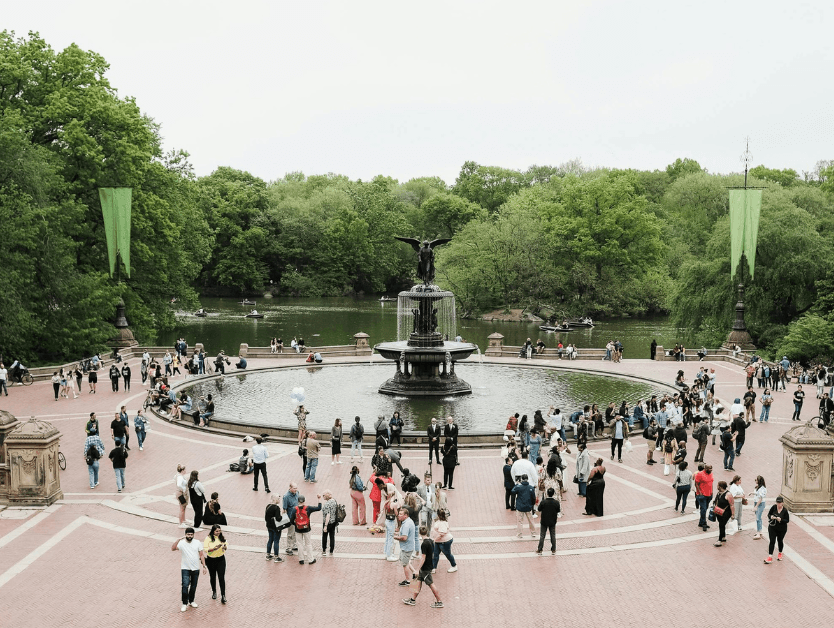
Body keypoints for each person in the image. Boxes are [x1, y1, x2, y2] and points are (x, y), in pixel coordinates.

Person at [402, 525, 443, 608]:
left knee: (431, 584)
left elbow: (423, 557)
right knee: (417, 582)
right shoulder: (431, 541)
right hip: (428, 565)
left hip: (425, 568)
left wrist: (417, 569)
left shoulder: (424, 544)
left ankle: (439, 601)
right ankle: (412, 600)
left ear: (419, 534)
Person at [172, 527, 206, 612]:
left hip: (195, 568)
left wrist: (204, 566)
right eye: (188, 534)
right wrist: (177, 540)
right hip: (185, 568)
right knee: (185, 585)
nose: (190, 536)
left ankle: (191, 601)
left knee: (193, 586)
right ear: (185, 534)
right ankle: (184, 603)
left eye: (191, 534)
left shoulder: (197, 542)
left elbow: (201, 555)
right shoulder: (182, 543)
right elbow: (173, 548)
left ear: (193, 535)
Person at [290, 494, 322, 565]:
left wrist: (296, 524)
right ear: (304, 501)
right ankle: (310, 559)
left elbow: (291, 520)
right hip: (307, 529)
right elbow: (319, 508)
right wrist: (319, 499)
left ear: (298, 501)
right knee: (308, 544)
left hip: (298, 529)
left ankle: (301, 559)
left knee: (299, 544)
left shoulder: (294, 509)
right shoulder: (308, 508)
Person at [203, 524, 228, 604]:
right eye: (217, 531)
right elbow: (206, 549)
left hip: (221, 559)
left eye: (219, 531)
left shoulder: (222, 538)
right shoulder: (208, 539)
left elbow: (226, 544)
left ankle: (223, 595)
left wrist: (224, 547)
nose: (218, 532)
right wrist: (214, 549)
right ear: (213, 531)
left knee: (221, 577)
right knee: (212, 576)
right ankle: (214, 591)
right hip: (211, 560)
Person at [394, 506, 418, 586]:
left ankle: (408, 580)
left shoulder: (406, 525)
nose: (398, 515)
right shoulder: (409, 521)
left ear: (406, 515)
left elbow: (404, 537)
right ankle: (414, 572)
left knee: (405, 564)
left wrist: (395, 537)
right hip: (408, 546)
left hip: (406, 547)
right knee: (406, 561)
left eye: (400, 514)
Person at [429, 508, 457, 572]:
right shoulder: (440, 521)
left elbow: (442, 534)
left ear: (438, 515)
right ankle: (434, 568)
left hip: (444, 542)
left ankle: (454, 566)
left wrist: (434, 540)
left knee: (448, 554)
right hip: (439, 541)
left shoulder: (442, 523)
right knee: (435, 554)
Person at [764, 496, 790, 564]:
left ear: (782, 503)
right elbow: (769, 514)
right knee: (772, 541)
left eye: (780, 503)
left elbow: (787, 520)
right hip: (772, 527)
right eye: (777, 503)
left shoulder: (784, 510)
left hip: (782, 528)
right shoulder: (774, 507)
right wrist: (771, 517)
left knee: (780, 540)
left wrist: (781, 519)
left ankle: (780, 553)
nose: (778, 504)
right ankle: (770, 557)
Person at [536, 487, 561, 555]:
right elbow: (558, 510)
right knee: (552, 535)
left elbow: (539, 509)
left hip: (544, 521)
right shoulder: (556, 502)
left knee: (542, 535)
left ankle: (540, 549)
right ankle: (553, 549)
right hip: (552, 521)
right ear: (553, 494)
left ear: (547, 493)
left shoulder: (543, 502)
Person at [265, 494, 290, 562]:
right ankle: (276, 556)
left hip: (269, 526)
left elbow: (266, 518)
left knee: (270, 540)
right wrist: (282, 514)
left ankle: (268, 555)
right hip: (276, 527)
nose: (279, 500)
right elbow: (278, 519)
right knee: (276, 541)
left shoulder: (268, 506)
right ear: (275, 500)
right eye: (278, 499)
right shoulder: (276, 508)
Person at [712, 480, 735, 546]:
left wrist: (733, 514)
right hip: (719, 512)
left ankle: (720, 540)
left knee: (721, 524)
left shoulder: (728, 494)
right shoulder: (719, 493)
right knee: (721, 524)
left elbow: (732, 505)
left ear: (721, 486)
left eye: (718, 485)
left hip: (726, 512)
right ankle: (723, 536)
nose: (717, 487)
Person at [694, 464, 714, 531]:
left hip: (709, 494)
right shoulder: (700, 474)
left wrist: (712, 492)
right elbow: (696, 483)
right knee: (703, 509)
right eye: (709, 468)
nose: (710, 469)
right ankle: (704, 523)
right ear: (705, 468)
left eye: (711, 468)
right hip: (702, 495)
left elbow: (711, 483)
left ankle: (701, 522)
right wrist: (699, 492)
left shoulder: (711, 474)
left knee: (705, 508)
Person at [282, 483, 300, 556]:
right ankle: (289, 547)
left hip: (297, 517)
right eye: (294, 488)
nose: (296, 490)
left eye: (296, 488)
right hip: (290, 517)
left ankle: (294, 545)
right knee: (290, 533)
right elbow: (284, 508)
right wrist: (285, 519)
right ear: (290, 488)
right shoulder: (286, 496)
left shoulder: (297, 493)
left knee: (296, 531)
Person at [320, 490, 339, 556]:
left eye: (324, 495)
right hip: (333, 522)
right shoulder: (334, 501)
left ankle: (324, 550)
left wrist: (325, 525)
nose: (323, 497)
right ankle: (331, 550)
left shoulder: (327, 504)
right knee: (332, 536)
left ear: (327, 496)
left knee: (325, 536)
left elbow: (328, 515)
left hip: (327, 522)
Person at [751, 475, 767, 540]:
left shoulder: (763, 489)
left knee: (758, 518)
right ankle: (760, 531)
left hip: (760, 504)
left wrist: (756, 506)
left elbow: (760, 499)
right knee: (758, 518)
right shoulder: (758, 487)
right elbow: (757, 494)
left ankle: (758, 532)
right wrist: (752, 493)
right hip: (756, 502)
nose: (755, 480)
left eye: (757, 480)